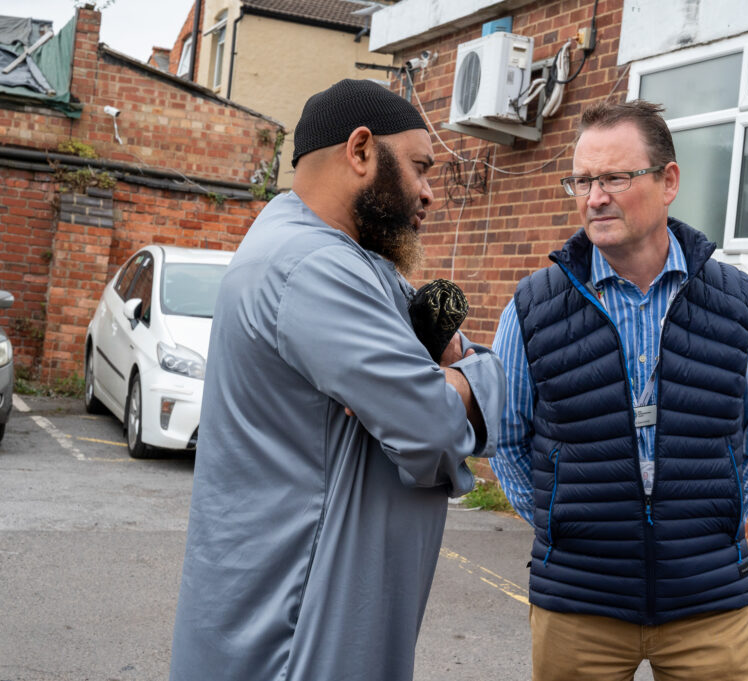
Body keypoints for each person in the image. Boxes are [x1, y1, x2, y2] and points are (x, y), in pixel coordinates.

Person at [169, 79, 505, 681]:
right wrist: (469, 379)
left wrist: (439, 378)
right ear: (360, 151)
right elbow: (431, 427)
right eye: (421, 168)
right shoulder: (313, 268)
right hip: (298, 638)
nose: (430, 195)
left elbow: (436, 380)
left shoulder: (339, 259)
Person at [491, 99, 748, 681]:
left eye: (616, 178)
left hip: (709, 608)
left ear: (668, 180)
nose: (594, 196)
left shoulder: (738, 301)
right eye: (582, 179)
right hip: (579, 607)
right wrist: (560, 523)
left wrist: (709, 526)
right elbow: (505, 440)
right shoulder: (533, 306)